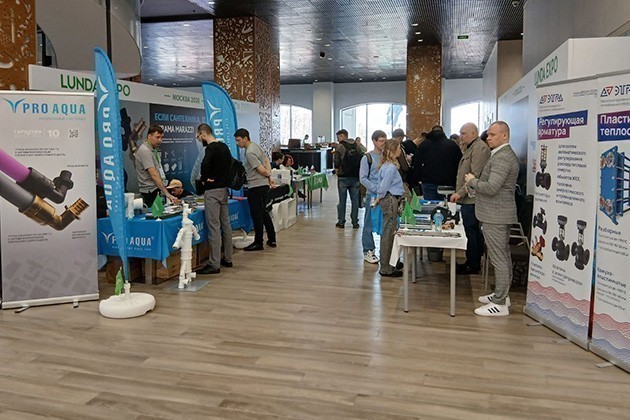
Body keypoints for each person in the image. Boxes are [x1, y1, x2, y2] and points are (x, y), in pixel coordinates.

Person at [465, 121, 519, 317]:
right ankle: (502, 295)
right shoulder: (500, 154)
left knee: (499, 258)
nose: (488, 138)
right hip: (496, 213)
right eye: (488, 134)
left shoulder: (503, 157)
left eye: (493, 134)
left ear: (505, 136)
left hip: (496, 215)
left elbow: (491, 187)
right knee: (501, 256)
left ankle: (500, 303)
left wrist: (472, 181)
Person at [450, 123, 491, 275]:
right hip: (468, 198)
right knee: (470, 231)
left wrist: (460, 193)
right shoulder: (471, 147)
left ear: (473, 133)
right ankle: (471, 261)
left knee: (472, 231)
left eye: (463, 133)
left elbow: (474, 175)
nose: (460, 136)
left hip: (472, 199)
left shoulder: (479, 148)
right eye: (460, 133)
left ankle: (473, 264)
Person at [196, 123, 233, 274]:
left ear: (203, 133)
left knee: (214, 227)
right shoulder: (224, 147)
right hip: (224, 190)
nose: (199, 139)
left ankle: (214, 263)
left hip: (212, 191)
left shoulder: (210, 148)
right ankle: (228, 258)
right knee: (226, 225)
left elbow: (204, 165)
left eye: (199, 136)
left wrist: (205, 179)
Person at [234, 128, 277, 251]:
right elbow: (266, 161)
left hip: (256, 186)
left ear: (245, 138)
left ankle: (258, 242)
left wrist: (268, 175)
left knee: (257, 215)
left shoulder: (249, 152)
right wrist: (269, 178)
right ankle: (272, 238)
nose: (237, 143)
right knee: (264, 212)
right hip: (263, 185)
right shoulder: (256, 147)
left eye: (238, 140)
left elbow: (261, 169)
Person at [375, 139, 405, 277]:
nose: (400, 151)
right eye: (398, 148)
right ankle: (386, 267)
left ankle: (391, 262)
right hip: (390, 199)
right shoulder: (390, 168)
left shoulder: (387, 165)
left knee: (390, 231)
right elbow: (384, 186)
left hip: (389, 198)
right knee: (388, 233)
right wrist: (379, 197)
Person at [410, 127, 462, 200]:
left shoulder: (424, 144)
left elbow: (417, 163)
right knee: (446, 205)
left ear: (431, 132)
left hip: (428, 181)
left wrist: (419, 178)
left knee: (430, 205)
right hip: (448, 183)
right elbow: (460, 164)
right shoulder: (452, 145)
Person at [134, 124, 178, 207]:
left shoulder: (153, 149)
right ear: (149, 136)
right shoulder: (145, 151)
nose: (160, 140)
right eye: (157, 137)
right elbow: (153, 174)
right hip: (150, 192)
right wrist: (167, 194)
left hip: (156, 189)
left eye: (161, 137)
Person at [359, 130, 386, 264]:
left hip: (385, 194)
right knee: (369, 222)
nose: (383, 143)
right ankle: (368, 250)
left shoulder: (386, 157)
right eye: (380, 141)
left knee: (385, 223)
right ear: (374, 141)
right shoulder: (367, 158)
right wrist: (376, 189)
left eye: (384, 141)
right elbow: (363, 178)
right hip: (372, 195)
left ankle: (385, 251)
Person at [333, 129, 363, 229]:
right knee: (355, 201)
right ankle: (355, 222)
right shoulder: (357, 145)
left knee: (342, 201)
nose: (338, 140)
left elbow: (336, 161)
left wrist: (336, 171)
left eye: (338, 137)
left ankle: (341, 222)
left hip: (343, 177)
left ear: (343, 136)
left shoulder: (339, 146)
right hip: (355, 176)